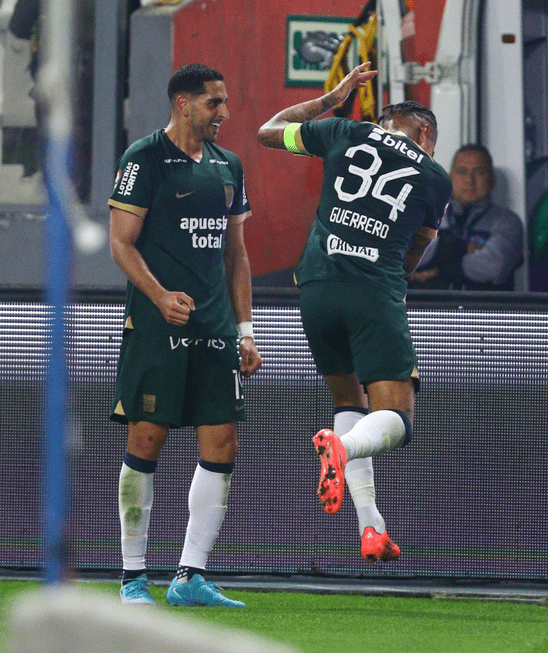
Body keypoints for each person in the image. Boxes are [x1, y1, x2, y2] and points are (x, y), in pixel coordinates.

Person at [257, 63, 451, 562]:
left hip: (316, 287)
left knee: (351, 405)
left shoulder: (344, 129)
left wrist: (334, 98)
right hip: (372, 290)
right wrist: (392, 289)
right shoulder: (433, 177)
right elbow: (413, 253)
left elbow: (267, 131)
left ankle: (371, 527)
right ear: (424, 131)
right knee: (397, 418)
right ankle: (340, 452)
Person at [108, 63, 262, 607]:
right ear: (183, 104)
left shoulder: (229, 165)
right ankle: (132, 579)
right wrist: (159, 296)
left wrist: (245, 331)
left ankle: (189, 576)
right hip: (156, 326)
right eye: (213, 102)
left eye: (224, 101)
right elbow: (121, 243)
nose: (224, 112)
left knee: (222, 443)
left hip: (216, 328)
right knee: (146, 439)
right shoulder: (143, 159)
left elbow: (236, 254)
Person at [408, 144, 523, 290]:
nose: (469, 180)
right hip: (428, 310)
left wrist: (438, 271)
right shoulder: (425, 215)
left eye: (479, 172)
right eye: (462, 172)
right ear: (449, 179)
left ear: (492, 180)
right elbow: (406, 256)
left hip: (484, 310)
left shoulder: (508, 222)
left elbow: (493, 266)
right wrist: (460, 246)